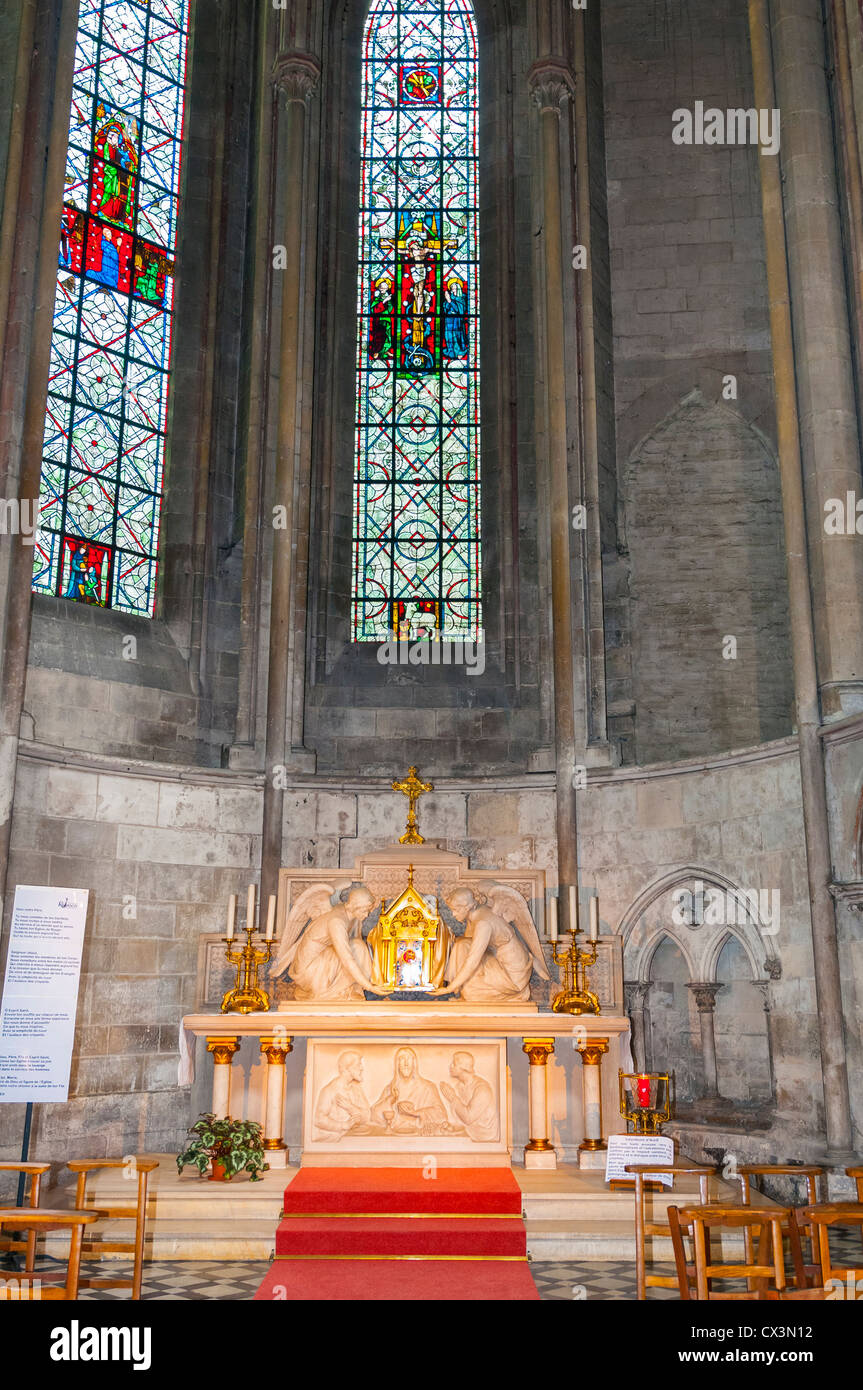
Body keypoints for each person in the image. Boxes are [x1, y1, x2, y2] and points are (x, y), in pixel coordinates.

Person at [371, 1046, 447, 1135]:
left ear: (414, 1063)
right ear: (397, 1064)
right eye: (402, 1059)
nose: (406, 1063)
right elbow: (374, 1115)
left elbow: (442, 1115)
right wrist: (390, 1099)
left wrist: (417, 1113)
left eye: (409, 1059)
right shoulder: (390, 1089)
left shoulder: (428, 1087)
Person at [440, 1051, 498, 1141]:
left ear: (464, 1068)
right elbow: (460, 1120)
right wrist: (451, 1125)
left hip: (484, 1138)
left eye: (454, 1064)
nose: (450, 1066)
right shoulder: (459, 1087)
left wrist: (452, 1097)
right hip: (469, 1136)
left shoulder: (482, 1089)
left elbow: (468, 1118)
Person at [314, 1050, 372, 1138]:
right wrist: (343, 1125)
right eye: (358, 1065)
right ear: (347, 1068)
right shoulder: (329, 1090)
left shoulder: (356, 1089)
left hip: (354, 1139)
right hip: (334, 1141)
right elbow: (319, 1120)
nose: (361, 1068)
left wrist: (351, 1108)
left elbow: (367, 1115)